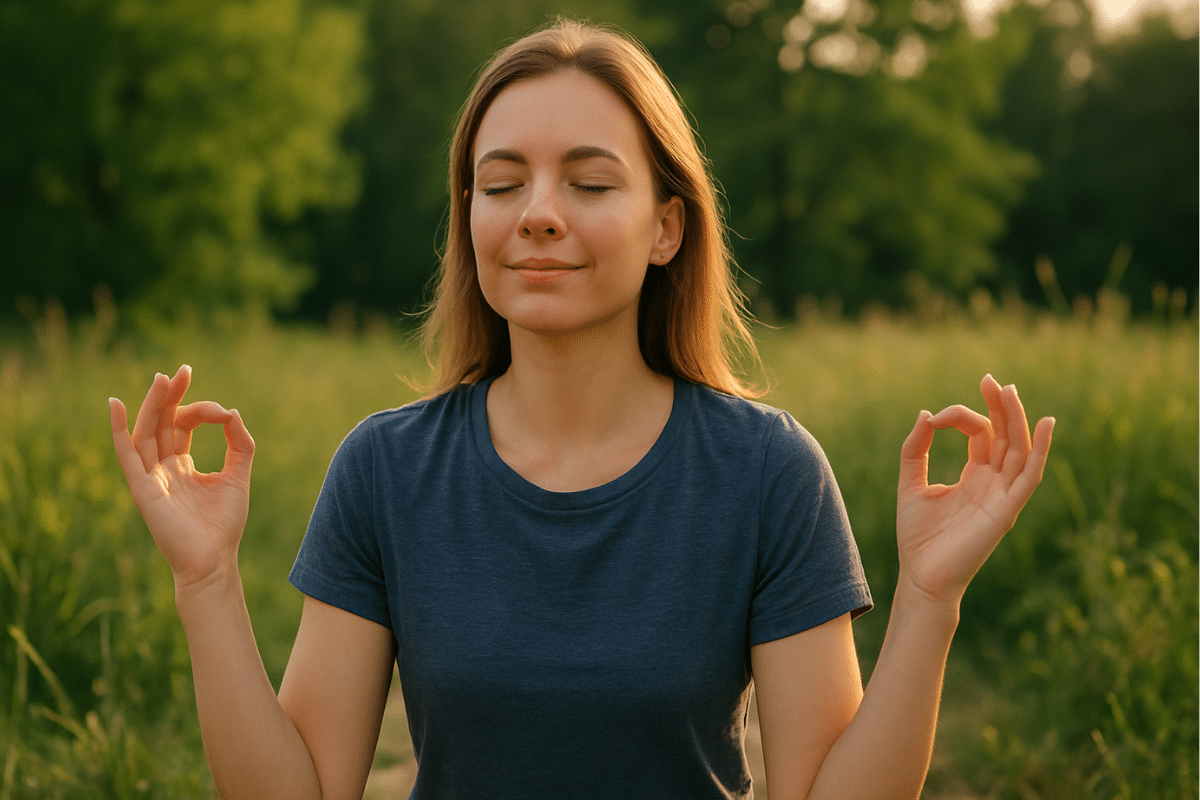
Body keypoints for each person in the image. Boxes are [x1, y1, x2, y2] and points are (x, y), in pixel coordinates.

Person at [109, 18, 1054, 800]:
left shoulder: (767, 472)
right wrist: (206, 580)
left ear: (667, 227)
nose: (538, 213)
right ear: (470, 215)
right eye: (501, 184)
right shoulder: (386, 469)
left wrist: (930, 600)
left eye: (590, 183)